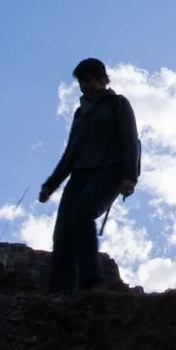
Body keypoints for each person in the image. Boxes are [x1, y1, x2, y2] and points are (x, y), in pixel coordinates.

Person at [38, 58, 141, 292]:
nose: (86, 85)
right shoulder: (79, 114)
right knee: (63, 232)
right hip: (79, 175)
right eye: (82, 81)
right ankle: (60, 293)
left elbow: (130, 138)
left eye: (90, 79)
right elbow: (70, 153)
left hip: (111, 170)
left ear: (103, 79)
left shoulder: (117, 103)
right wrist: (50, 185)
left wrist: (129, 175)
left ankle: (91, 283)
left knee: (83, 214)